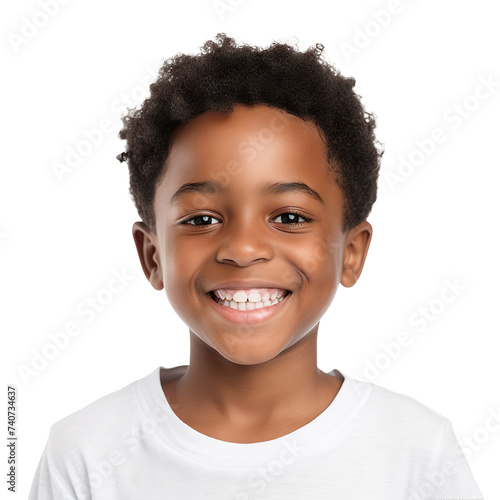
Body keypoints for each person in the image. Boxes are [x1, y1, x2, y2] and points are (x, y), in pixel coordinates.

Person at [28, 33, 483, 499]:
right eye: (202, 219)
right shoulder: (85, 453)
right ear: (152, 255)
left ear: (352, 252)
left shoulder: (418, 452)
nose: (243, 249)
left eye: (289, 217)